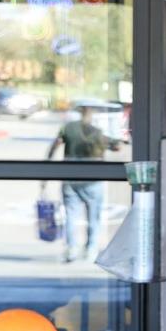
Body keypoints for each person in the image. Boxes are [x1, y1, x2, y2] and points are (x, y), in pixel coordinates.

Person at [46, 100, 120, 262]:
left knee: (71, 214)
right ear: (92, 115)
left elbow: (54, 146)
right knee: (94, 216)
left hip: (71, 177)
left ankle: (72, 249)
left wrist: (46, 167)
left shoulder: (68, 128)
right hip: (93, 179)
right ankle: (91, 249)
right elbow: (117, 146)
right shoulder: (98, 132)